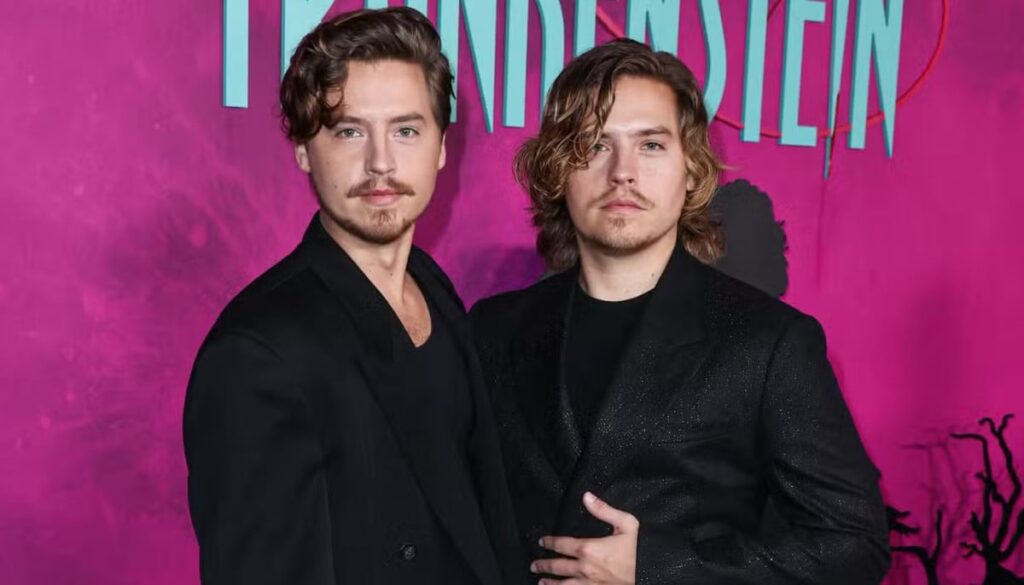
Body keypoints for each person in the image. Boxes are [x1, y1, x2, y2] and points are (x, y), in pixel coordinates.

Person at [471, 39, 890, 585]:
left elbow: (854, 544)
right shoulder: (492, 328)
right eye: (594, 145)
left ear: (691, 169)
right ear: (557, 169)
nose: (622, 172)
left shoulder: (768, 342)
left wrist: (658, 568)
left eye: (650, 145)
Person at [183, 8, 523, 585]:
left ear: (442, 147)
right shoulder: (257, 352)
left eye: (406, 131)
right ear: (302, 150)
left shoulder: (434, 288)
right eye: (349, 132)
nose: (381, 162)